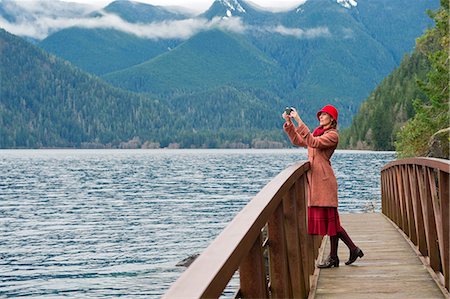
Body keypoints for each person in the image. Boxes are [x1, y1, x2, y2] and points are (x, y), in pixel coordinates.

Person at [282, 105, 364, 268]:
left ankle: (347, 251)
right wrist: (289, 123)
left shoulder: (332, 136)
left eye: (324, 115)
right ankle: (342, 254)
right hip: (317, 182)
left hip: (325, 183)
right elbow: (299, 141)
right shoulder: (319, 133)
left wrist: (299, 120)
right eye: (320, 114)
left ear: (332, 119)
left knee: (332, 223)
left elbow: (311, 141)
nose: (321, 117)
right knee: (332, 223)